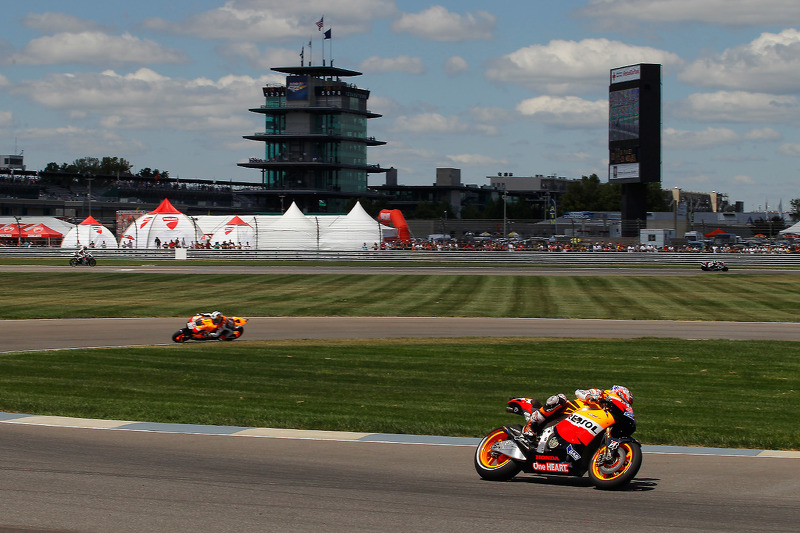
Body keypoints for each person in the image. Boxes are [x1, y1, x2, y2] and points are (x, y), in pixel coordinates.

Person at [523, 385, 634, 438]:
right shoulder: (601, 394)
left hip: (577, 426)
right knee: (559, 398)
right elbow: (579, 392)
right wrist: (590, 397)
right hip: (566, 413)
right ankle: (531, 425)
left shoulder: (608, 412)